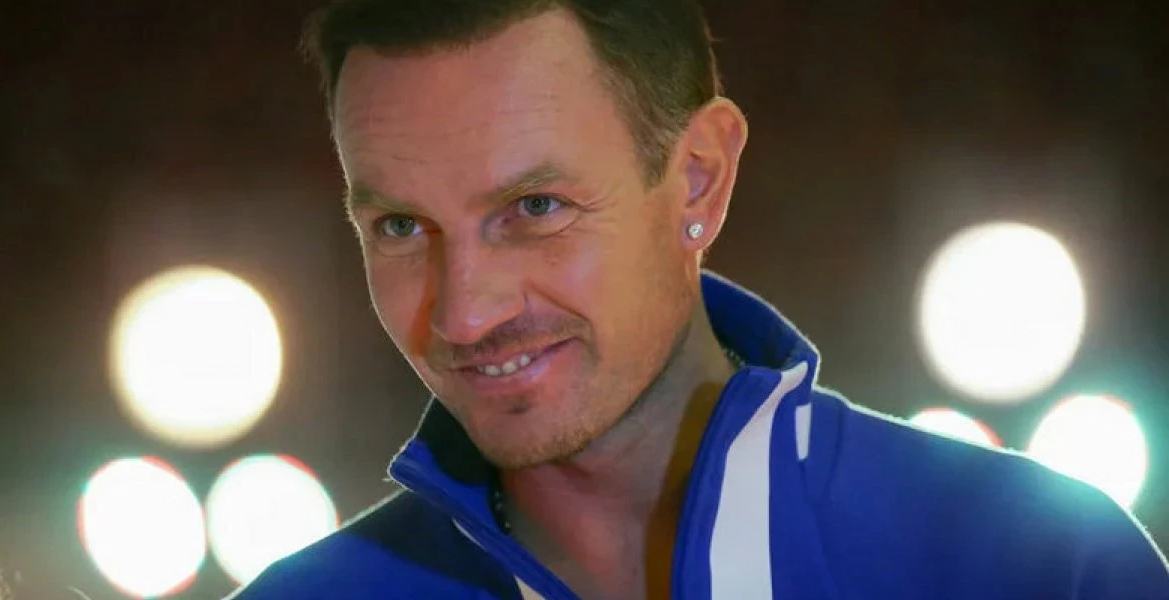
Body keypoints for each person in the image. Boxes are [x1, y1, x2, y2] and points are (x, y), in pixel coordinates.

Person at [229, 0, 1169, 598]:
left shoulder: (1037, 566)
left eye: (536, 208)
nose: (464, 314)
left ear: (698, 180)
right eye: (400, 226)